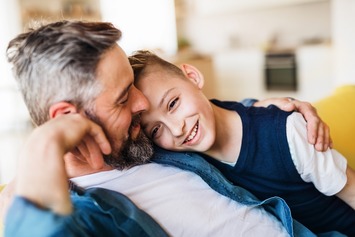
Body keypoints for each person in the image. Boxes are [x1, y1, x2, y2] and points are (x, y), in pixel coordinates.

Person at [1, 20, 335, 237]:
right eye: (122, 98)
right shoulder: (83, 215)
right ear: (65, 117)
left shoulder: (139, 143)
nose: (141, 104)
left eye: (133, 86)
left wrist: (267, 110)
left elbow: (195, 112)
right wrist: (41, 146)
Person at [129, 50, 355, 235]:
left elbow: (351, 191)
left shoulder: (287, 129)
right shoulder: (186, 162)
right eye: (156, 130)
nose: (177, 129)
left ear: (192, 76)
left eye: (173, 104)